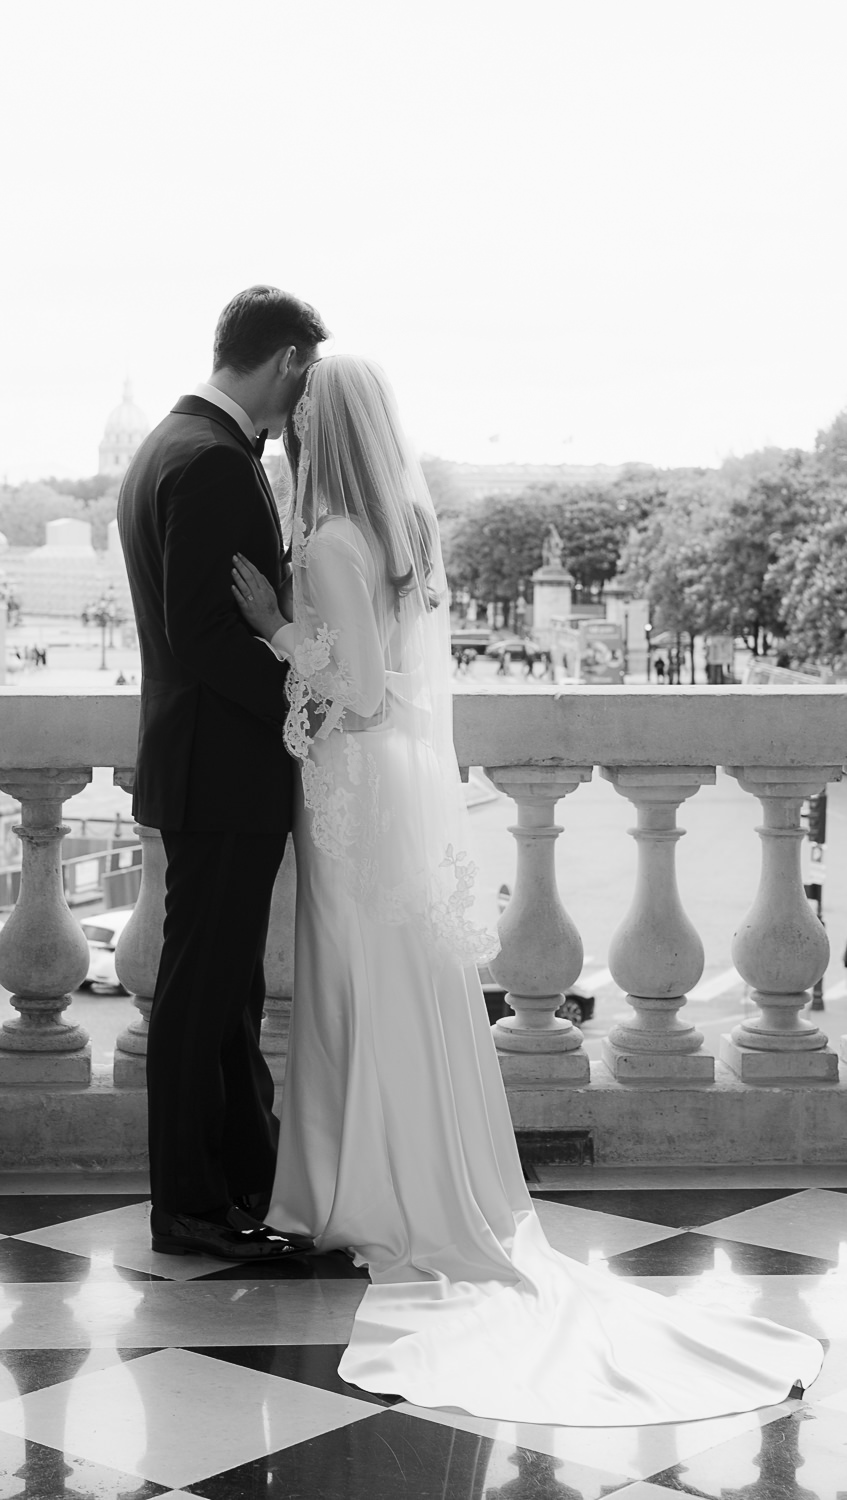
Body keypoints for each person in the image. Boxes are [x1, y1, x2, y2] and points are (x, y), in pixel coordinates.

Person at [231, 354, 822, 1425]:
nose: (288, 437)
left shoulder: (326, 541)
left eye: (299, 425)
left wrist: (277, 626)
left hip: (358, 792)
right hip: (396, 787)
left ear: (321, 434)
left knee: (357, 987)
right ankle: (392, 1182)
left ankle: (355, 1192)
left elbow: (359, 693)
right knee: (400, 990)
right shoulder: (401, 525)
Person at [117, 285, 328, 1262]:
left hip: (200, 766)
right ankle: (189, 1204)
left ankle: (244, 1170)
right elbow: (206, 638)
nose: (304, 406)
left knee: (227, 992)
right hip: (220, 772)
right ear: (287, 361)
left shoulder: (169, 444)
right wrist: (301, 692)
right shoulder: (214, 464)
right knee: (204, 995)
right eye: (305, 380)